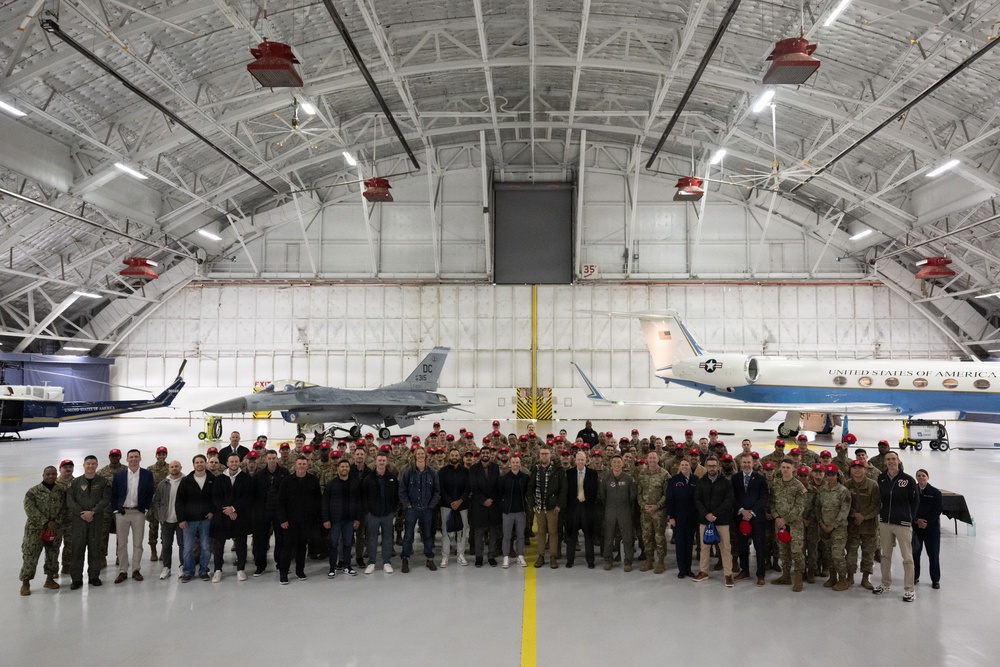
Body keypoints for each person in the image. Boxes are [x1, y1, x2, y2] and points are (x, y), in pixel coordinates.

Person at [873, 452, 919, 601]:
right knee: (885, 555)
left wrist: (908, 517)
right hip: (885, 522)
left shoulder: (908, 480)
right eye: (888, 459)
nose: (891, 462)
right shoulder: (881, 479)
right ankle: (885, 584)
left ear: (898, 461)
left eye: (894, 459)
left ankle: (909, 589)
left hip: (903, 524)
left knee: (907, 557)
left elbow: (915, 501)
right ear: (884, 462)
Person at [110, 449, 155, 584]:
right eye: (131, 457)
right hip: (122, 513)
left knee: (138, 543)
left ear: (140, 458)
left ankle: (136, 569)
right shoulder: (119, 475)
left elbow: (150, 492)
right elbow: (114, 494)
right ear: (127, 459)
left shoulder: (147, 475)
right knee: (122, 543)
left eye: (136, 457)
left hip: (138, 513)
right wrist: (116, 510)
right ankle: (123, 570)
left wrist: (145, 508)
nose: (133, 459)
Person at [19, 466, 66, 596]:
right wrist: (46, 522)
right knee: (30, 556)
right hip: (35, 530)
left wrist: (56, 522)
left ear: (56, 475)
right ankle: (25, 583)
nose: (51, 476)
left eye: (53, 474)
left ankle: (49, 579)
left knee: (53, 554)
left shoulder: (61, 491)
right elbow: (29, 509)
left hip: (55, 530)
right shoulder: (33, 492)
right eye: (48, 474)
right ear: (43, 475)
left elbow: (65, 508)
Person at [66, 455, 110, 590]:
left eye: (93, 464)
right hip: (79, 521)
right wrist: (82, 513)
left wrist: (93, 512)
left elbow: (105, 499)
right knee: (77, 549)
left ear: (97, 465)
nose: (90, 466)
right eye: (88, 464)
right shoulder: (75, 482)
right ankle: (76, 579)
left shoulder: (103, 482)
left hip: (96, 520)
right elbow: (70, 500)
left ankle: (94, 576)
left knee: (95, 548)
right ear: (84, 465)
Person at [276, 456, 322, 584]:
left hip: (306, 521)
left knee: (302, 547)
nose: (301, 466)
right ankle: (283, 573)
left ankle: (300, 571)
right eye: (299, 464)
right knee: (287, 548)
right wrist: (283, 519)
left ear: (307, 466)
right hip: (289, 522)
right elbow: (280, 502)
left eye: (304, 464)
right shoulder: (286, 481)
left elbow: (318, 501)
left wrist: (317, 519)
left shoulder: (313, 481)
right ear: (295, 466)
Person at [210, 454, 254, 582]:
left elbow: (248, 498)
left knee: (241, 544)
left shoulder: (246, 479)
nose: (234, 463)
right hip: (222, 516)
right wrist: (227, 510)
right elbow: (216, 498)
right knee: (219, 545)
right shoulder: (219, 479)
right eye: (231, 461)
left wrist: (234, 508)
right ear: (227, 463)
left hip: (239, 516)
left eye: (236, 461)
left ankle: (241, 569)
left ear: (239, 462)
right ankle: (218, 570)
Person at [692, 457, 735, 586]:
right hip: (705, 521)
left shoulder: (726, 483)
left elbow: (729, 500)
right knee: (704, 547)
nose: (712, 468)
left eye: (714, 466)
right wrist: (706, 514)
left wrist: (715, 514)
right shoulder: (701, 482)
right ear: (706, 466)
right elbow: (697, 499)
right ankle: (703, 572)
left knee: (725, 548)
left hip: (721, 521)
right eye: (709, 466)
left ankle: (728, 574)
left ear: (718, 466)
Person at [399, 447, 440, 573]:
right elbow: (402, 491)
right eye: (419, 454)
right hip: (412, 509)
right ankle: (405, 559)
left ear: (425, 456)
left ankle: (429, 558)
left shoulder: (432, 472)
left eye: (423, 453)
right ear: (415, 456)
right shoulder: (408, 472)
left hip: (427, 509)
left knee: (427, 535)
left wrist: (431, 505)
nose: (421, 456)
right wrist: (408, 505)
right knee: (408, 535)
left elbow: (437, 492)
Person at [176, 455, 215, 582]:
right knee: (188, 548)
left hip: (205, 520)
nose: (199, 464)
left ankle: (204, 571)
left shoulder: (212, 479)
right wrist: (181, 519)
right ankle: (188, 572)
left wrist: (212, 512)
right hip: (189, 521)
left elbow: (216, 498)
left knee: (205, 547)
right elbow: (179, 501)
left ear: (206, 463)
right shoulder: (186, 481)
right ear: (193, 465)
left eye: (202, 462)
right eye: (197, 462)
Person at [732, 453, 768, 586]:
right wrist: (742, 510)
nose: (746, 465)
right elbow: (733, 497)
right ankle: (744, 570)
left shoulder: (760, 479)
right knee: (742, 546)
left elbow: (763, 498)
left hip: (756, 518)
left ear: (753, 464)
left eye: (749, 462)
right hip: (741, 518)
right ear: (740, 464)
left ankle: (760, 574)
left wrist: (752, 512)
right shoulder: (735, 479)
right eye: (744, 462)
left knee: (759, 547)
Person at [527, 445, 566, 568]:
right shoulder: (536, 469)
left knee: (553, 532)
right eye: (542, 454)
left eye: (546, 454)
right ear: (539, 455)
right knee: (541, 532)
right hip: (539, 507)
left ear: (551, 455)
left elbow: (563, 489)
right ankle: (541, 555)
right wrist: (533, 503)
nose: (544, 456)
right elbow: (530, 488)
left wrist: (559, 504)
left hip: (552, 508)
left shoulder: (558, 470)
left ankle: (553, 556)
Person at [322, 459, 363, 577]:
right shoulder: (331, 484)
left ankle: (347, 566)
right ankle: (332, 567)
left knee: (347, 543)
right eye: (342, 467)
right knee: (334, 543)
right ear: (338, 469)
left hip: (349, 520)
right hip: (335, 520)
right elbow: (325, 502)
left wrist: (357, 519)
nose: (344, 468)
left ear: (349, 469)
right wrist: (326, 519)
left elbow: (359, 502)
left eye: (346, 466)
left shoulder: (355, 483)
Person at [770, 459, 806, 592]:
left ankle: (798, 578)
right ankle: (785, 576)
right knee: (783, 550)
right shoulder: (776, 484)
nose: (785, 470)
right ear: (780, 468)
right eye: (783, 467)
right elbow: (772, 503)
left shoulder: (798, 486)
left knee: (796, 552)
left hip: (794, 524)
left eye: (788, 467)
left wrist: (786, 519)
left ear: (793, 469)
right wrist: (777, 517)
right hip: (780, 524)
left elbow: (800, 507)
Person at [844, 459, 880, 590]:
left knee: (868, 553)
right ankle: (850, 577)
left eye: (860, 468)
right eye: (854, 468)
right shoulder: (847, 484)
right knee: (851, 552)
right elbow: (845, 503)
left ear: (865, 470)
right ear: (851, 470)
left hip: (869, 526)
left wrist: (863, 515)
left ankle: (866, 579)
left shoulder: (873, 485)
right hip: (853, 525)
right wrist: (855, 514)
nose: (857, 470)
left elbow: (876, 505)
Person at [816, 463, 853, 591]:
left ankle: (843, 579)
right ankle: (833, 577)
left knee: (837, 555)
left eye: (833, 475)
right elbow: (817, 507)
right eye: (828, 474)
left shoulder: (843, 491)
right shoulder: (822, 490)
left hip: (839, 528)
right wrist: (821, 522)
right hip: (824, 527)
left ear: (837, 476)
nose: (830, 477)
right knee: (828, 554)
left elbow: (845, 511)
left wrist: (833, 525)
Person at [252, 449, 289, 576]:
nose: (272, 461)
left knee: (281, 539)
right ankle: (260, 566)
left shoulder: (285, 473)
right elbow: (254, 495)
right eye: (270, 458)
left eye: (274, 458)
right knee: (261, 539)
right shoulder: (258, 475)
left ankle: (280, 564)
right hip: (263, 512)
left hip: (279, 512)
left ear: (277, 459)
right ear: (266, 460)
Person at [362, 453, 399, 574]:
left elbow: (396, 496)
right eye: (379, 460)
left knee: (387, 538)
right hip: (372, 514)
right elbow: (364, 496)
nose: (382, 462)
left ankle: (387, 562)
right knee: (372, 538)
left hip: (387, 514)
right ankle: (371, 562)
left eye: (384, 460)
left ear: (386, 462)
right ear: (376, 462)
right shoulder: (368, 478)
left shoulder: (392, 478)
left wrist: (393, 510)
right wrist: (368, 511)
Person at [599, 454, 636, 571]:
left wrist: (626, 507)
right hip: (610, 510)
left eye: (618, 462)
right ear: (611, 464)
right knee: (608, 536)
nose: (616, 464)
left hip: (624, 510)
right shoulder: (606, 478)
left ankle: (628, 561)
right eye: (614, 462)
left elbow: (632, 497)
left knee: (627, 536)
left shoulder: (628, 478)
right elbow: (602, 496)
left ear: (622, 463)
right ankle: (608, 560)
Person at [468, 446, 502, 567]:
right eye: (484, 453)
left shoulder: (495, 468)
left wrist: (491, 499)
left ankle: (491, 555)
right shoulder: (473, 469)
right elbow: (473, 487)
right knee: (479, 533)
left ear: (490, 455)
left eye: (488, 452)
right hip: (479, 505)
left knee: (493, 531)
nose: (486, 454)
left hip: (493, 505)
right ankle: (479, 557)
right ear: (480, 454)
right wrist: (483, 500)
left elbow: (498, 485)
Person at [565, 451, 598, 569]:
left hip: (587, 507)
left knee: (589, 535)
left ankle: (590, 560)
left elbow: (595, 491)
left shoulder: (593, 474)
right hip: (573, 508)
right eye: (578, 460)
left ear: (586, 460)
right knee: (571, 535)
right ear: (575, 460)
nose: (580, 462)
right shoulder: (569, 473)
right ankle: (570, 560)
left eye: (582, 460)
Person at [666, 459, 699, 578]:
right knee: (680, 544)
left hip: (692, 518)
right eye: (682, 465)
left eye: (687, 465)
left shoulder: (696, 480)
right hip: (678, 518)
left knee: (689, 544)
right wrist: (671, 517)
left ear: (690, 466)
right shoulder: (673, 480)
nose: (685, 467)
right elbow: (670, 500)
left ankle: (688, 569)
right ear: (679, 467)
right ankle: (681, 570)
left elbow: (698, 499)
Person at [152, 459, 184, 580]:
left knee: (182, 544)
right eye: (172, 467)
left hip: (181, 520)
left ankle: (182, 566)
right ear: (169, 469)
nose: (174, 468)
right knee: (166, 545)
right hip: (166, 520)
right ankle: (166, 567)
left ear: (180, 467)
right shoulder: (163, 483)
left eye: (176, 466)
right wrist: (160, 516)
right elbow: (157, 501)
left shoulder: (185, 481)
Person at [636, 449, 668, 573]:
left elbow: (666, 494)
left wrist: (657, 506)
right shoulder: (642, 474)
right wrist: (643, 505)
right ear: (647, 459)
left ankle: (661, 561)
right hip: (645, 512)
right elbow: (638, 493)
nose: (652, 460)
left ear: (658, 459)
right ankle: (649, 559)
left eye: (654, 458)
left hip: (659, 512)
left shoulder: (664, 474)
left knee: (659, 537)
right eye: (650, 458)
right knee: (646, 536)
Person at [438, 447, 471, 567]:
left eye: (456, 455)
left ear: (459, 457)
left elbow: (468, 488)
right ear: (448, 457)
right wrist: (451, 502)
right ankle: (445, 556)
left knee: (462, 531)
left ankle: (460, 555)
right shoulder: (442, 472)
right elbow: (441, 489)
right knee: (446, 531)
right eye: (452, 455)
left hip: (463, 506)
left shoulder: (466, 471)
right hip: (447, 506)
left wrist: (460, 501)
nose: (454, 457)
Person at [912, 468, 942, 590]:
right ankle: (914, 576)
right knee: (915, 554)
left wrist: (926, 522)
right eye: (918, 476)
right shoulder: (912, 491)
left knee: (933, 554)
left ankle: (935, 580)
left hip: (931, 528)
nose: (921, 478)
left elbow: (937, 510)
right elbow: (909, 508)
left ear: (928, 477)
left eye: (923, 475)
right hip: (916, 528)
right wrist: (916, 521)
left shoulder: (935, 492)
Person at [499, 454, 530, 568]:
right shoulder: (504, 478)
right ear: (510, 464)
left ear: (520, 463)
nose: (515, 464)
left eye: (517, 462)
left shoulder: (525, 478)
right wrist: (503, 506)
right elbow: (500, 493)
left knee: (520, 535)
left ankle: (520, 556)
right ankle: (506, 556)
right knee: (506, 535)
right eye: (513, 462)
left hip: (521, 511)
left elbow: (528, 492)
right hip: (507, 512)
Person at [146, 446, 170, 563]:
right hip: (153, 504)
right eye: (159, 454)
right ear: (156, 455)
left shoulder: (170, 468)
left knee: (164, 528)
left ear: (166, 455)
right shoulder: (150, 469)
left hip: (166, 503)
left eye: (163, 454)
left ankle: (163, 551)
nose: (161, 456)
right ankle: (153, 551)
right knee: (153, 528)